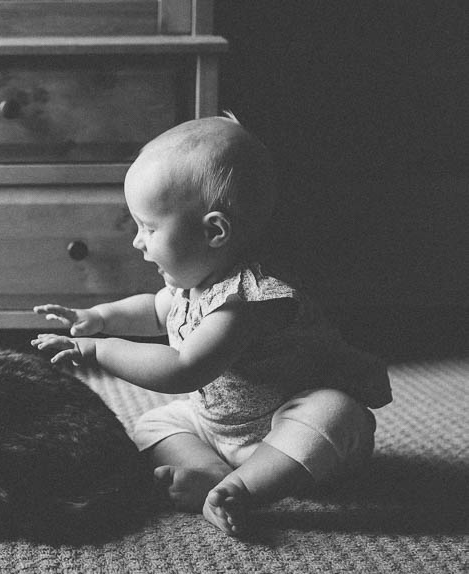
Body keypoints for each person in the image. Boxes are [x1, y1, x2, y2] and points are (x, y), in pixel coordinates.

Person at [31, 113, 392, 536]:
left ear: (214, 231)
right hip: (216, 424)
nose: (137, 241)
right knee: (152, 425)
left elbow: (186, 368)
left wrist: (100, 349)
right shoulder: (191, 286)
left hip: (279, 428)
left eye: (148, 227)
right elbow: (151, 308)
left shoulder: (244, 301)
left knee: (335, 413)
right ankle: (212, 477)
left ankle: (246, 487)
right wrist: (98, 317)